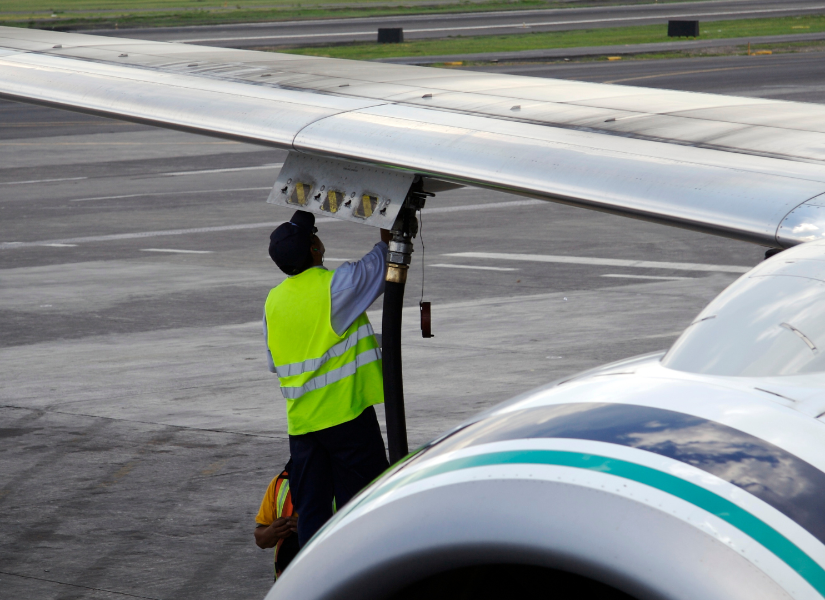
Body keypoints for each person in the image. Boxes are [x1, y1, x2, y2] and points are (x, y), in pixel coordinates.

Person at [264, 210, 391, 547]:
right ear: (314, 250)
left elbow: (275, 363)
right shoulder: (335, 287)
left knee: (312, 515)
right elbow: (386, 258)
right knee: (364, 505)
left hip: (302, 428)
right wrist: (392, 215)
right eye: (315, 235)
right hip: (346, 419)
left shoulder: (273, 301)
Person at [254, 461, 299, 581]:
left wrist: (311, 529)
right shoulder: (281, 482)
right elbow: (261, 540)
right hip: (286, 583)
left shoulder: (341, 484)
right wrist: (272, 531)